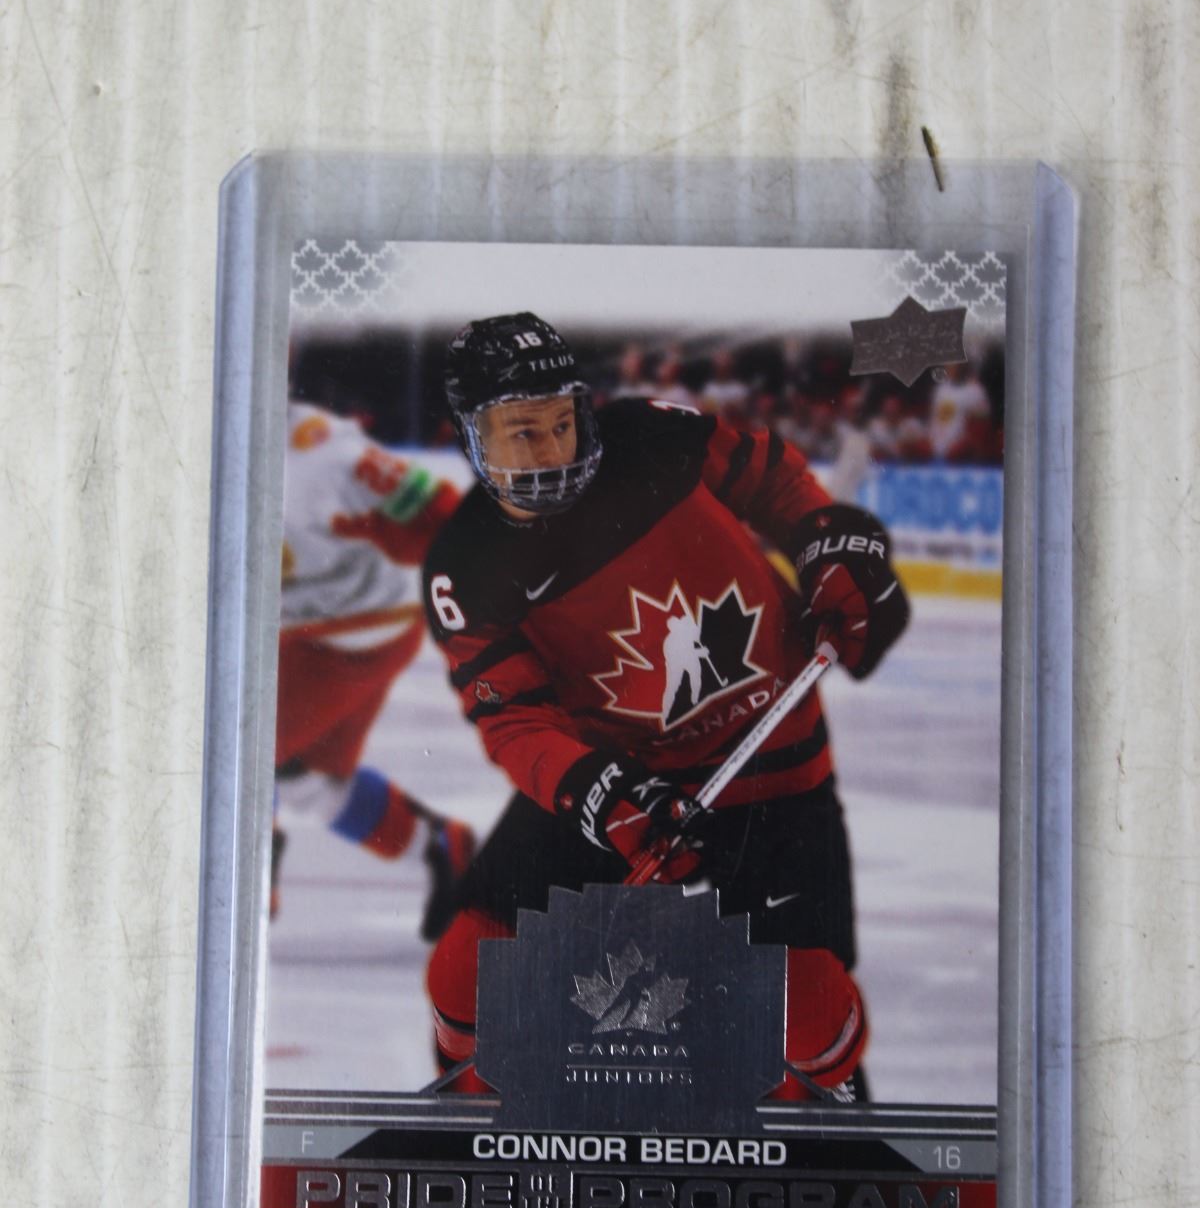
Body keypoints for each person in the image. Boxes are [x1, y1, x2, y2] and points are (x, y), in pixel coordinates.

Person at [420, 313, 910, 1099]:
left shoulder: (651, 437)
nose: (551, 452)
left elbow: (770, 475)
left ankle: (830, 1108)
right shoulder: (465, 567)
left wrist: (828, 541)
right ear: (473, 438)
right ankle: (471, 1093)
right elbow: (513, 716)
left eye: (561, 423)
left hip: (772, 768)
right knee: (464, 969)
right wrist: (595, 792)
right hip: (619, 781)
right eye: (522, 433)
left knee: (810, 1011)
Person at [275, 397, 475, 938]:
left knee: (238, 750)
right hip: (337, 629)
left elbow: (440, 512)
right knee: (307, 783)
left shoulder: (319, 456)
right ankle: (442, 847)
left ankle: (242, 883)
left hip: (348, 633)